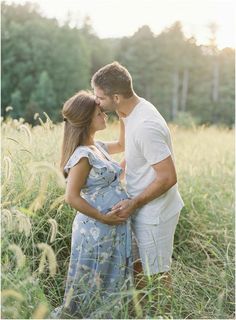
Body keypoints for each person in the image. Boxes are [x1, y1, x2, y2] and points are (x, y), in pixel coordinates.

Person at [91, 61, 184, 314]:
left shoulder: (146, 125)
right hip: (140, 205)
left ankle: (163, 314)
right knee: (138, 266)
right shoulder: (126, 112)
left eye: (100, 97)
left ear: (116, 97)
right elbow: (124, 144)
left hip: (156, 211)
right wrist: (89, 146)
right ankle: (141, 313)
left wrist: (133, 203)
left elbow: (168, 177)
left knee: (158, 271)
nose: (96, 102)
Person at [50, 90, 132, 319]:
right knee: (93, 279)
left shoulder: (99, 147)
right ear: (87, 119)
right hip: (95, 229)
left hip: (111, 227)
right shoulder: (82, 155)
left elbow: (123, 143)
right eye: (100, 113)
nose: (105, 117)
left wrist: (122, 112)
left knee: (108, 277)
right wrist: (103, 217)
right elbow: (72, 197)